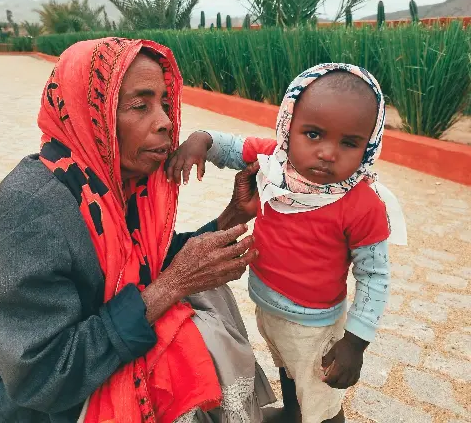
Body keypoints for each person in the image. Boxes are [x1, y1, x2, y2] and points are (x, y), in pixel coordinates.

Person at [0, 37, 276, 423]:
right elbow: (43, 378)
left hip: (67, 377)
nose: (165, 122)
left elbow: (142, 263)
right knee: (184, 333)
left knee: (202, 298)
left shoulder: (110, 186)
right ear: (91, 115)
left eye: (164, 103)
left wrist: (231, 218)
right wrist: (172, 284)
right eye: (140, 106)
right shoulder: (31, 211)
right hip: (14, 404)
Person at [167, 63, 407, 423]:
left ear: (369, 146)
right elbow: (232, 148)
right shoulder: (276, 161)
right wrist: (201, 139)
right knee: (287, 367)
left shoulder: (362, 204)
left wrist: (355, 342)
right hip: (267, 305)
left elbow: (375, 277)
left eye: (349, 143)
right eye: (313, 134)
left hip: (315, 325)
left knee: (322, 399)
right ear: (287, 126)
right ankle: (293, 413)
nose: (328, 152)